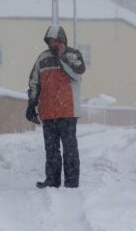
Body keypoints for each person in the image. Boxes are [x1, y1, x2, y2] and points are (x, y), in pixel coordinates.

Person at [26, 25, 86, 189]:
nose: (52, 44)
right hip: (48, 112)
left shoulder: (73, 55)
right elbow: (34, 83)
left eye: (55, 41)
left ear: (62, 40)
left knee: (70, 149)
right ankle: (52, 180)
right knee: (51, 150)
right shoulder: (42, 58)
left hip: (68, 111)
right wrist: (31, 104)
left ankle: (72, 182)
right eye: (50, 41)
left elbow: (77, 73)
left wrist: (62, 57)